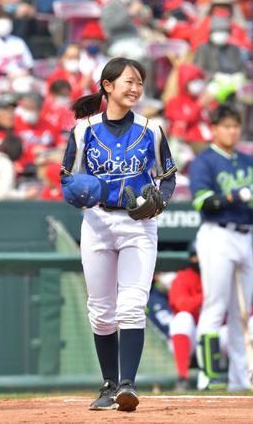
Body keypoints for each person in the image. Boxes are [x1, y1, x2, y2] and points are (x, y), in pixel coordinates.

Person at [61, 57, 177, 412]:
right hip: (97, 222)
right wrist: (77, 194)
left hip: (138, 225)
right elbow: (66, 178)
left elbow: (168, 177)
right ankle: (109, 384)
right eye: (128, 81)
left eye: (140, 83)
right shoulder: (84, 130)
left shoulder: (151, 129)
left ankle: (127, 384)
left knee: (130, 307)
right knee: (100, 311)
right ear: (107, 86)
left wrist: (160, 201)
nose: (135, 88)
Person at [189, 104, 253, 391]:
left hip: (246, 235)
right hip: (218, 234)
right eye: (226, 125)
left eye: (235, 125)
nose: (232, 130)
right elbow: (203, 201)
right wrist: (232, 195)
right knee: (215, 307)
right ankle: (209, 376)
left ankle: (239, 381)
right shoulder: (205, 161)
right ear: (214, 129)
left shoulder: (247, 161)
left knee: (242, 313)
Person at [168, 241, 203, 391]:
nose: (199, 260)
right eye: (195, 256)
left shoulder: (221, 276)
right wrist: (207, 296)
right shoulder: (183, 277)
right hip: (192, 338)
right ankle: (182, 377)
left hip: (219, 337)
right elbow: (182, 305)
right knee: (182, 319)